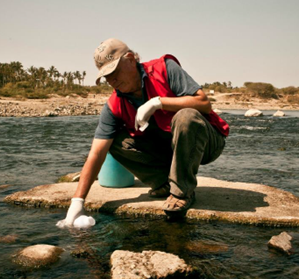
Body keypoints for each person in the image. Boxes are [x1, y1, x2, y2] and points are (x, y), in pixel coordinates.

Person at [59, 38, 229, 226]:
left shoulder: (165, 69)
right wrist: (77, 201)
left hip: (206, 143)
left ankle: (182, 191)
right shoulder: (114, 104)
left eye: (114, 71)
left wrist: (158, 103)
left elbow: (204, 104)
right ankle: (164, 183)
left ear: (131, 59)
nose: (111, 80)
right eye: (106, 76)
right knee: (113, 140)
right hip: (168, 149)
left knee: (186, 117)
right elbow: (97, 153)